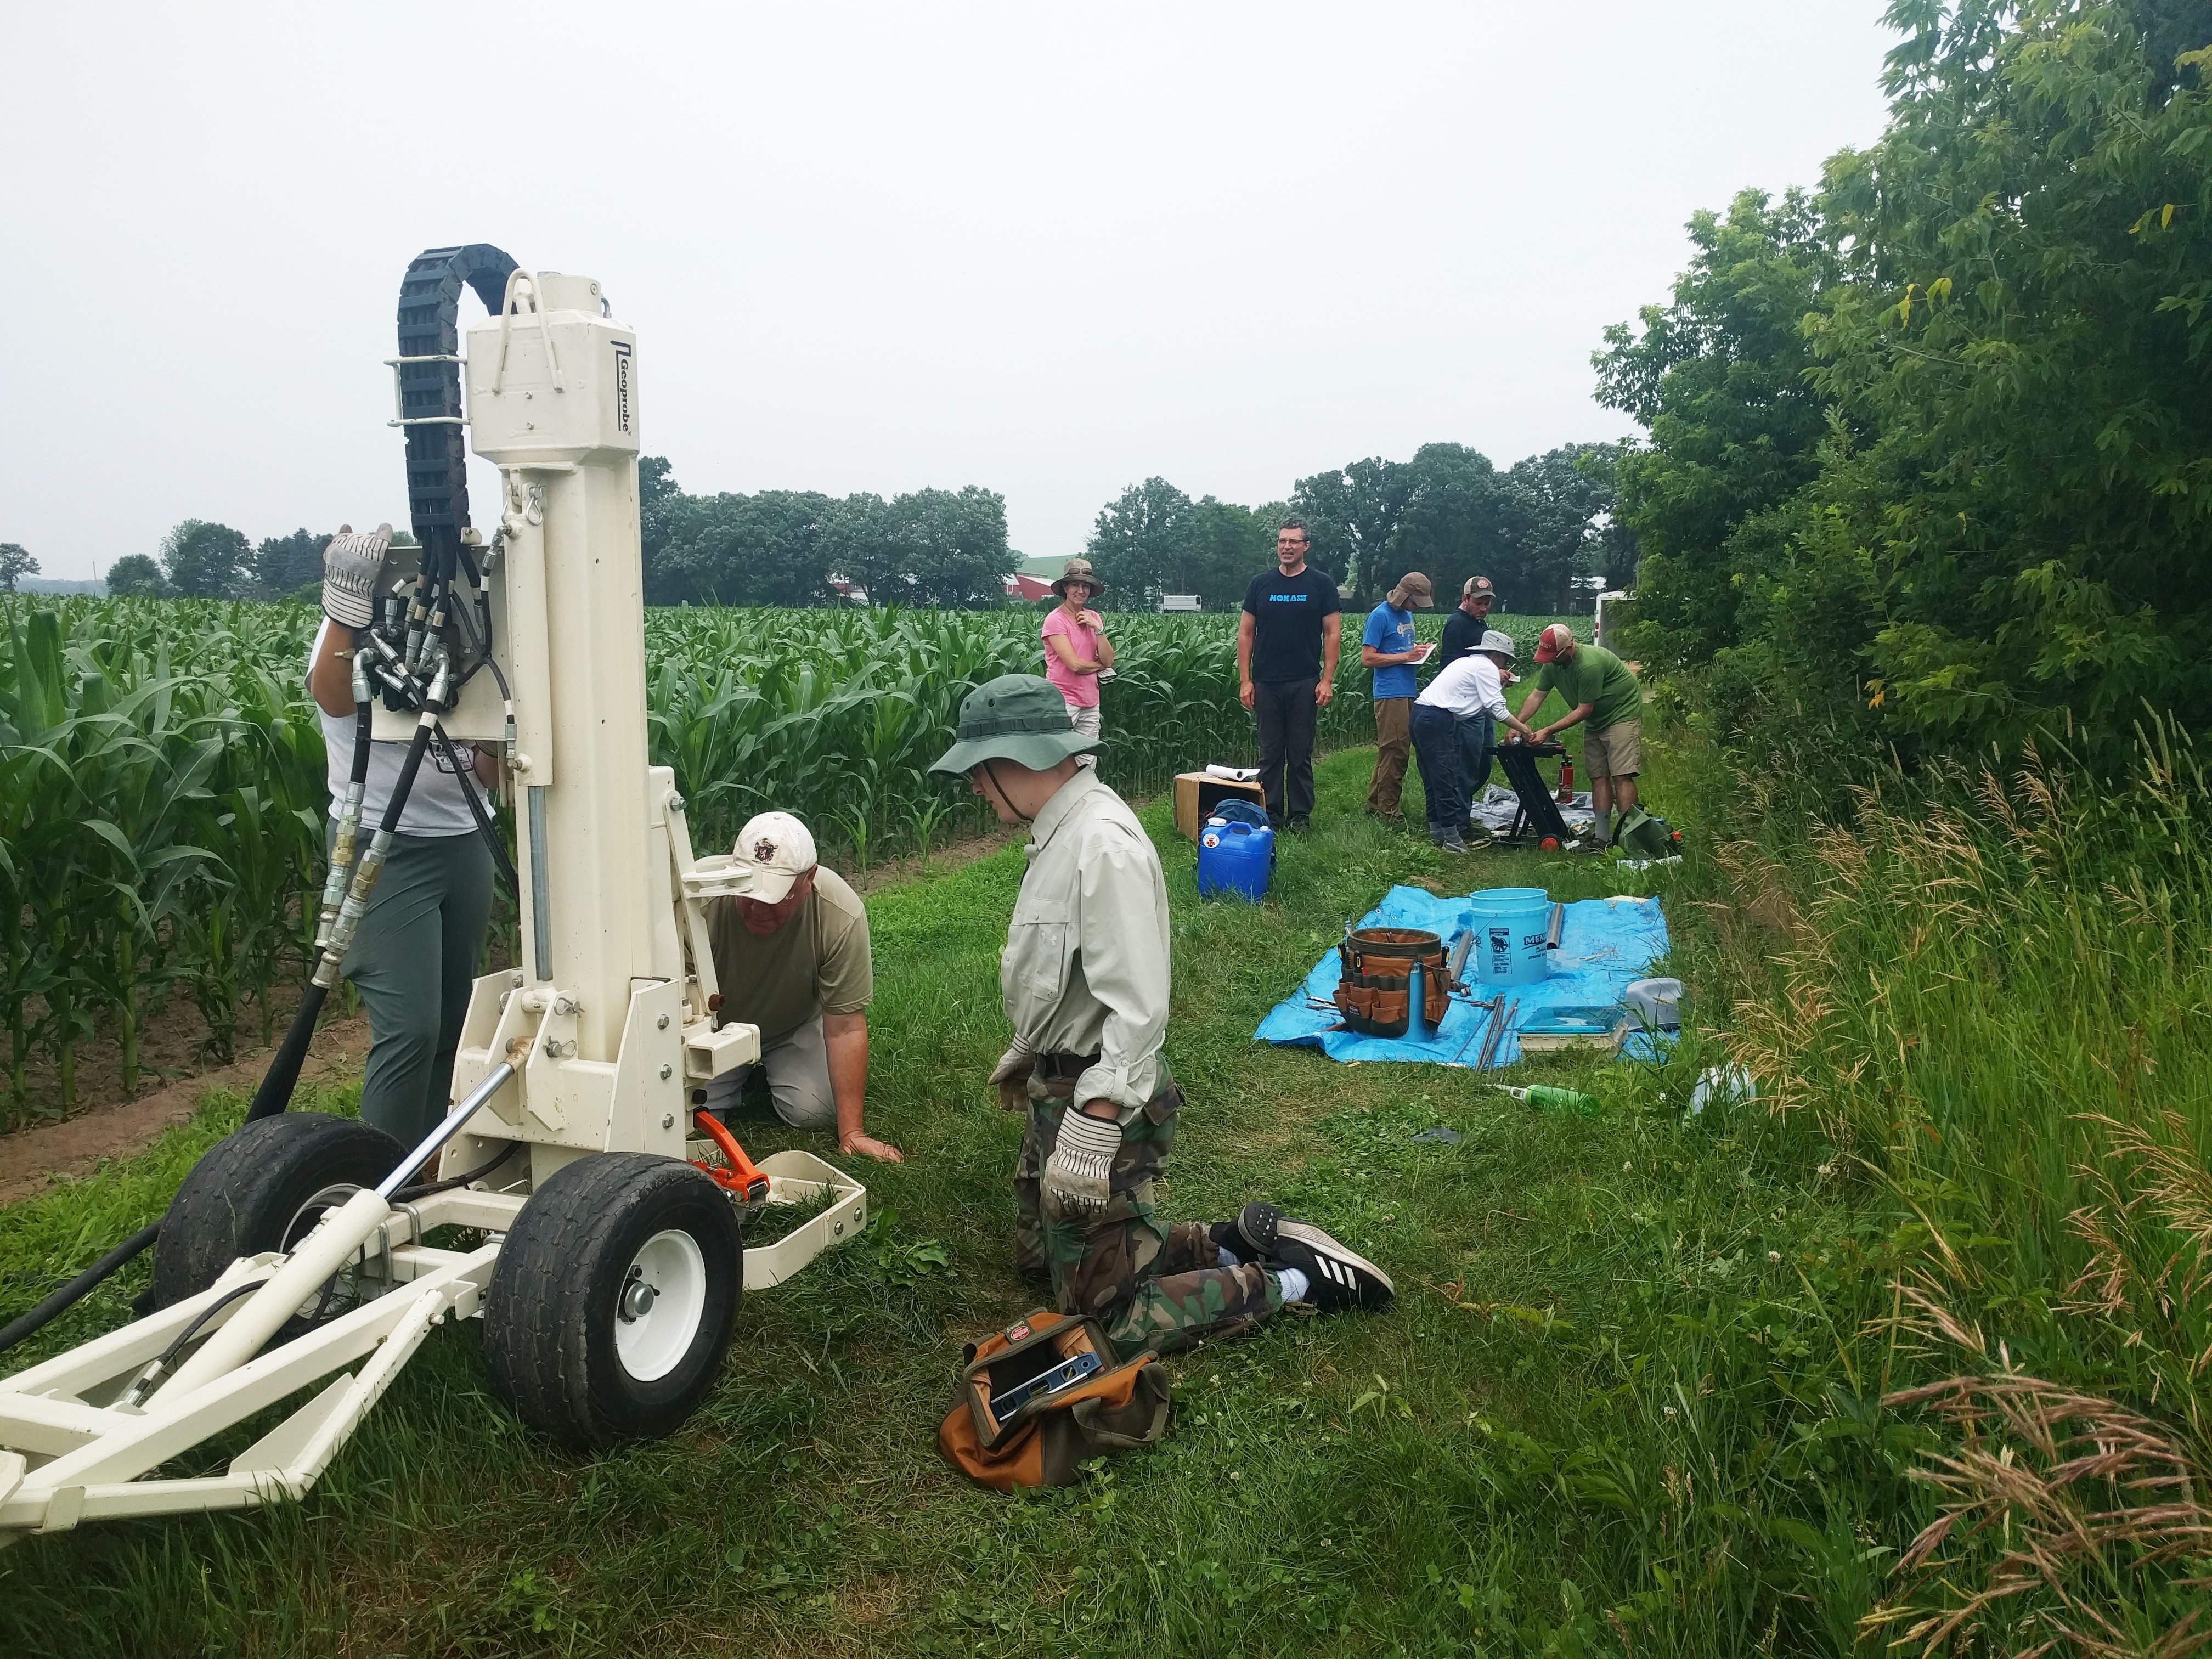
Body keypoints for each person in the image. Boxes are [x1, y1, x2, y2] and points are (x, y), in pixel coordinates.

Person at [929, 674, 1391, 1356]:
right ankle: (1225, 1242)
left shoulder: (1101, 845)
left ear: (1022, 757)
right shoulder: (1059, 833)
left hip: (1100, 1088)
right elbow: (1065, 968)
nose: (972, 785)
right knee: (1038, 1261)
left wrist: (1096, 1123)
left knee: (1105, 1320)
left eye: (978, 769)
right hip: (1060, 1077)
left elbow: (1139, 1002)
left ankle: (1292, 1279)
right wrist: (1033, 1044)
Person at [308, 528, 499, 1148]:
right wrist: (344, 607)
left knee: (451, 1024)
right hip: (383, 845)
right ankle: (375, 1187)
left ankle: (427, 1160)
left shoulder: (478, 633)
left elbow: (492, 768)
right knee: (410, 1028)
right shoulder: (364, 625)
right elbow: (333, 697)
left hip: (465, 841)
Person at [700, 811, 903, 1161]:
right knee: (690, 1121)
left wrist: (852, 1132)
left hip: (790, 1026)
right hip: (712, 1033)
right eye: (748, 892)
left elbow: (845, 1026)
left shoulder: (840, 913)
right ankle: (736, 1077)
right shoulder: (696, 899)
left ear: (809, 878)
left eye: (777, 896)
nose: (760, 908)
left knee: (816, 1112)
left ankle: (767, 1066)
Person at [1237, 518, 1341, 831]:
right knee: (1269, 754)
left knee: (1299, 753)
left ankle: (1300, 816)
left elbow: (1332, 633)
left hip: (1304, 681)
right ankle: (1269, 814)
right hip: (1267, 681)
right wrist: (1246, 680)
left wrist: (1326, 679)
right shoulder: (1261, 584)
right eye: (1283, 541)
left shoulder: (1321, 584)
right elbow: (1246, 633)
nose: (1287, 547)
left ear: (1305, 546)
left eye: (1294, 542)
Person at [1514, 624, 1644, 847]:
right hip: (1596, 721)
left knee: (1622, 775)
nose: (1550, 660)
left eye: (1554, 656)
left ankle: (1629, 838)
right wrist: (1517, 724)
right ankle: (1602, 838)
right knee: (1598, 776)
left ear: (1568, 648)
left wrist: (1548, 730)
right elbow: (1537, 695)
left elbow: (1585, 709)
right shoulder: (1552, 665)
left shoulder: (1589, 665)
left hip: (1622, 714)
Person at [1410, 630, 1536, 853]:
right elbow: (1497, 710)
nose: (1506, 663)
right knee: (1446, 777)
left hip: (1420, 714)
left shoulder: (1469, 663)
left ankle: (1438, 832)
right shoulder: (1487, 668)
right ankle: (1452, 838)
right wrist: (1524, 729)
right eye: (1506, 658)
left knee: (1432, 777)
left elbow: (1483, 708)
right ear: (1496, 655)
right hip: (1437, 719)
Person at [1359, 571, 1432, 819]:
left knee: (1389, 750)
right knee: (1397, 751)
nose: (1416, 607)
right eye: (1415, 601)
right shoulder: (1380, 616)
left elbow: (1400, 648)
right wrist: (1406, 657)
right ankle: (1389, 811)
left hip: (1407, 689)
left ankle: (1374, 804)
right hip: (1390, 693)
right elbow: (1367, 658)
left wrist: (1417, 651)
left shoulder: (1406, 614)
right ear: (1405, 595)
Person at [1040, 557, 1113, 767]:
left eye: (1085, 586)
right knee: (1058, 757)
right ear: (1065, 587)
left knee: (1088, 759)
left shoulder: (1093, 617)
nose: (1081, 590)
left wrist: (1098, 629)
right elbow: (1075, 665)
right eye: (1075, 585)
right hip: (1064, 701)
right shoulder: (1055, 620)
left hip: (1091, 700)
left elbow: (1109, 660)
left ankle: (1083, 800)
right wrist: (1099, 666)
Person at [1435, 575, 1502, 798]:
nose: (1483, 608)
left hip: (1481, 704)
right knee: (1467, 765)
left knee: (1483, 764)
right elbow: (1450, 666)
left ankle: (1460, 809)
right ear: (1465, 599)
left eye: (1487, 603)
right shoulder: (1457, 624)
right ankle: (1458, 818)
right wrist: (1490, 675)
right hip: (1464, 708)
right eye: (1478, 603)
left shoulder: (1479, 623)